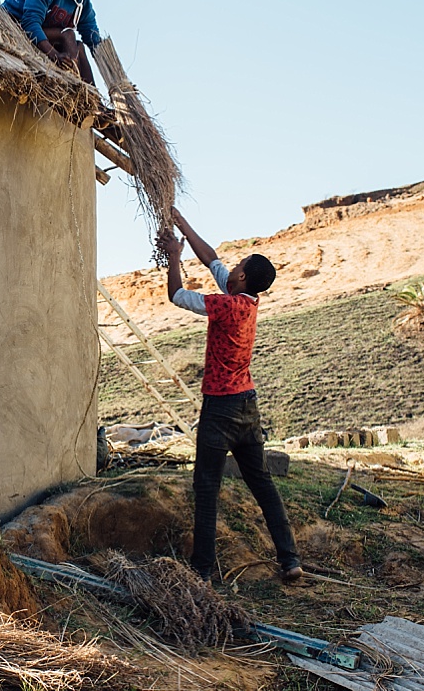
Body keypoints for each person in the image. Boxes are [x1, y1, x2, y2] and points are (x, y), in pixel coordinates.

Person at [158, 209, 303, 584]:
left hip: (220, 408)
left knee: (206, 485)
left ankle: (203, 571)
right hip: (246, 406)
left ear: (242, 277)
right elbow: (212, 260)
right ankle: (289, 559)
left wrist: (173, 256)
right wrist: (181, 224)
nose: (231, 267)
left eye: (237, 265)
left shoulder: (226, 306)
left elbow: (177, 295)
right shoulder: (248, 300)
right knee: (261, 483)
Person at [1, 0, 105, 84]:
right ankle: (74, 85)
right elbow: (30, 22)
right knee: (68, 35)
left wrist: (119, 81)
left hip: (43, 35)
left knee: (79, 47)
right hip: (14, 28)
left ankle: (93, 99)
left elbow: (94, 40)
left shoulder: (83, 5)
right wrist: (55, 55)